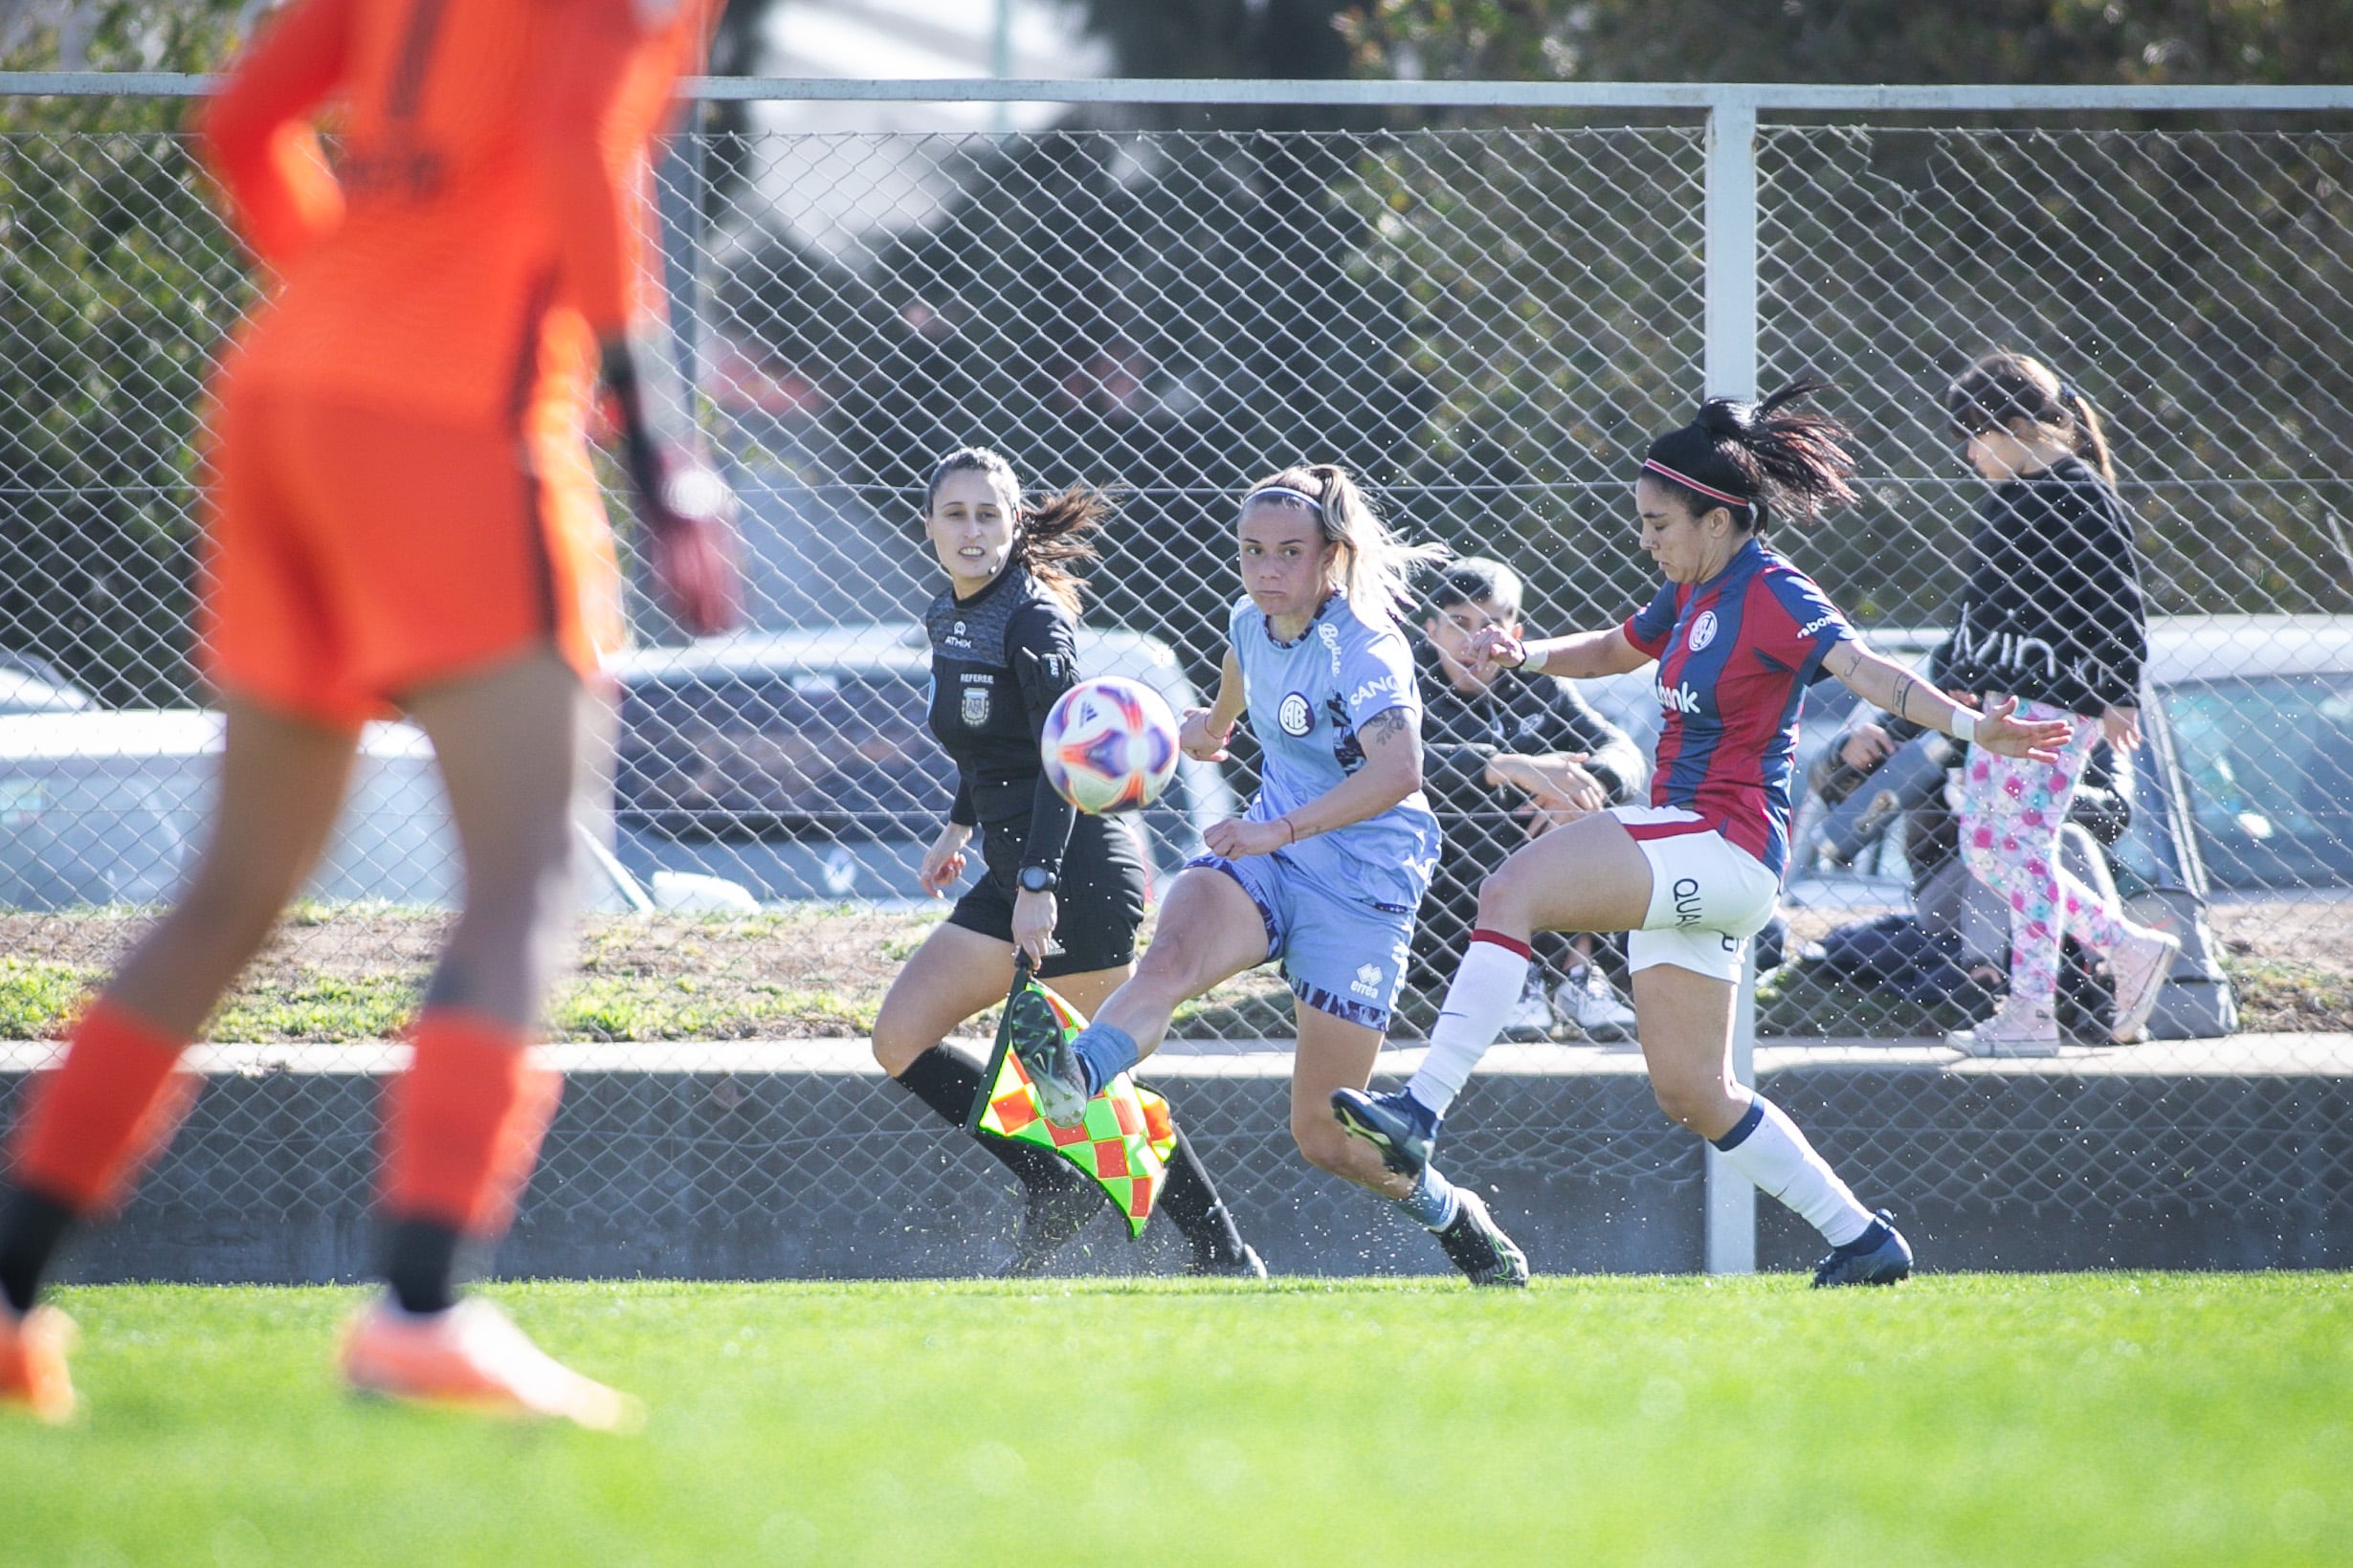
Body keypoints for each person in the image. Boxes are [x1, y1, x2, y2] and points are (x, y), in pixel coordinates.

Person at [0, 0, 741, 1425]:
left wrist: (352, 286)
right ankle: (419, 1310)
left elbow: (238, 119)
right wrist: (665, 450)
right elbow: (584, 146)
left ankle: (13, 1292)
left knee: (230, 892)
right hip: (460, 420)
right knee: (526, 874)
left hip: (287, 388)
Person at [1332, 384, 2074, 1287]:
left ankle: (1420, 1110)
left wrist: (1969, 725)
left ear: (1717, 519)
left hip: (1722, 844)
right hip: (1688, 845)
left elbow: (1866, 669)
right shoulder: (1691, 589)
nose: (1645, 539)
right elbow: (1614, 647)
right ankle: (1862, 1240)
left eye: (1658, 523)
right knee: (1693, 1091)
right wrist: (1522, 652)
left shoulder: (1771, 589)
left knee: (1509, 891)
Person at [1011, 465, 1533, 1287]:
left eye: (1288, 552)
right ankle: (1079, 1073)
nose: (1265, 570)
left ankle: (1452, 1214)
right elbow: (1229, 701)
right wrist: (1191, 731)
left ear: (1331, 555)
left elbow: (1400, 769)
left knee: (1325, 1136)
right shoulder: (1248, 622)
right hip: (1265, 857)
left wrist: (1279, 825)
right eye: (1252, 551)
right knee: (1170, 959)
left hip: (1362, 885)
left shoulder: (1365, 646)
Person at [871, 447, 1260, 1278]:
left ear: (1014, 525)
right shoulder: (948, 611)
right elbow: (990, 747)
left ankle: (1222, 1249)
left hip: (1076, 870)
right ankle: (1055, 1179)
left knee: (1092, 1083)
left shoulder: (1033, 616)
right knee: (901, 1037)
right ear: (929, 527)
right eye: (955, 514)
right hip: (1014, 869)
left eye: (988, 514)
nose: (971, 530)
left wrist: (1038, 886)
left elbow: (1063, 760)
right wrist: (958, 826)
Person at [1940, 352, 2181, 1054]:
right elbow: (1981, 604)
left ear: (2018, 425)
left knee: (2021, 846)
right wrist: (1955, 671)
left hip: (2056, 702)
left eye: (1974, 433)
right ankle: (2124, 944)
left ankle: (2031, 1013)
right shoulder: (2009, 497)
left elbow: (2117, 600)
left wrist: (2116, 692)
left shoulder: (2076, 493)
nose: (1967, 451)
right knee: (1985, 846)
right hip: (2004, 702)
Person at [1413, 558, 1646, 1040]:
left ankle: (1577, 975)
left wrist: (1591, 787)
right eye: (1459, 623)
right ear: (1431, 628)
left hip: (1535, 864)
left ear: (1514, 632)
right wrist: (1504, 766)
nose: (1475, 640)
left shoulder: (1537, 681)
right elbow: (1383, 762)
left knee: (1582, 812)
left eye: (1492, 624)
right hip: (1439, 891)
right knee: (1491, 812)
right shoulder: (1403, 679)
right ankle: (1520, 976)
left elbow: (1623, 750)